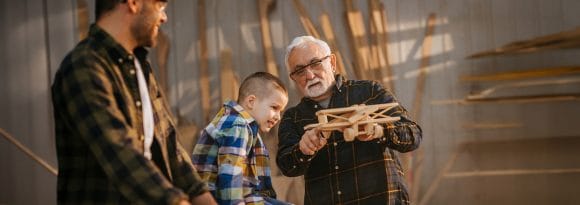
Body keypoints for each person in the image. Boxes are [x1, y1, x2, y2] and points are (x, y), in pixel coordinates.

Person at [51, 0, 216, 204]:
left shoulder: (140, 67)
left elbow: (169, 144)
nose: (164, 17)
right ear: (133, 3)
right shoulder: (84, 66)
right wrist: (177, 201)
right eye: (159, 6)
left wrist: (201, 195)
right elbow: (119, 151)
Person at [276, 36, 422, 205]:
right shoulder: (292, 117)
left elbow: (413, 135)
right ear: (293, 78)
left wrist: (378, 130)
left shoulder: (369, 92)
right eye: (299, 71)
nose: (309, 75)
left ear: (331, 62)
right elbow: (286, 166)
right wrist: (302, 150)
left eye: (315, 63)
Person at [191, 72, 291, 205]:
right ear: (251, 101)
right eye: (274, 107)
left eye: (281, 111)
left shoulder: (244, 126)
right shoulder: (237, 126)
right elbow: (230, 176)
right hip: (219, 200)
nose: (278, 116)